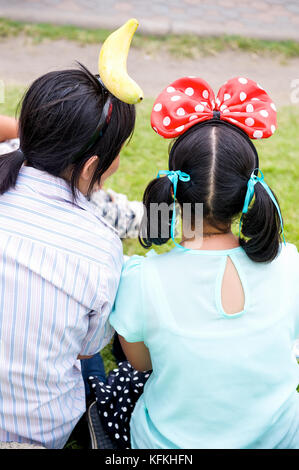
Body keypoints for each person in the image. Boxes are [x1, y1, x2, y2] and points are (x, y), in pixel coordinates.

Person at [89, 76, 299, 449]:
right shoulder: (290, 266)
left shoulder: (142, 279)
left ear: (171, 188)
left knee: (122, 381)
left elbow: (141, 363)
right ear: (249, 191)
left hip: (169, 447)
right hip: (281, 440)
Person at [0, 64, 135, 448]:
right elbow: (86, 347)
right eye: (120, 151)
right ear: (93, 165)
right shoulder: (100, 242)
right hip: (35, 433)